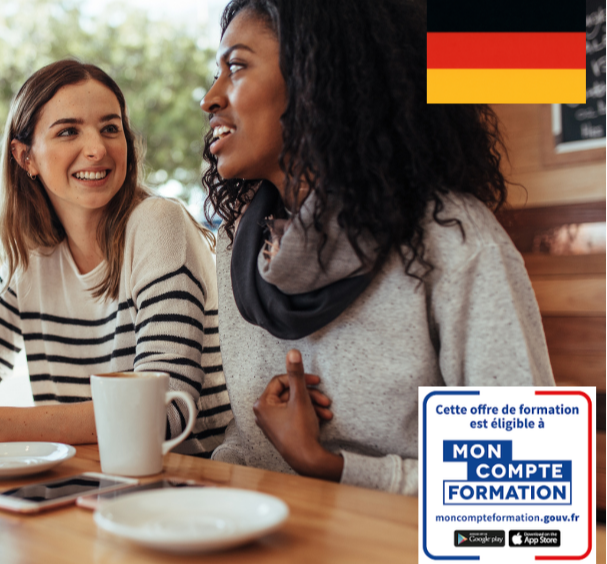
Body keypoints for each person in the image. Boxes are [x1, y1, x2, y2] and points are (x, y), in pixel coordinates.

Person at [200, 0, 554, 494]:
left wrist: (329, 464)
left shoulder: (454, 241)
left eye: (236, 66)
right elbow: (248, 450)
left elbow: (531, 482)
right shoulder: (239, 245)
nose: (210, 98)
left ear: (318, 78)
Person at [0, 60, 231, 456]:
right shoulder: (31, 257)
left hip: (191, 483)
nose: (97, 149)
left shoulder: (158, 222)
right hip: (88, 482)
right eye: (68, 131)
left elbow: (164, 410)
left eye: (111, 128)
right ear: (26, 158)